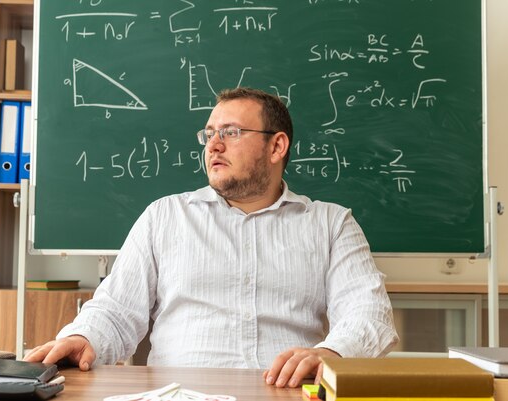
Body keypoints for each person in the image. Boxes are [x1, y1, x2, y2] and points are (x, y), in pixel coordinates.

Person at [24, 87, 398, 388]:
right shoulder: (165, 216)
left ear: (277, 146)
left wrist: (332, 352)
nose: (213, 145)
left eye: (231, 133)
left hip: (285, 393)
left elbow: (369, 315)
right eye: (209, 134)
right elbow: (116, 312)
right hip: (179, 395)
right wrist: (83, 337)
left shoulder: (331, 224)